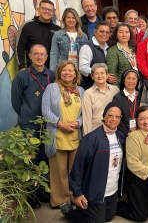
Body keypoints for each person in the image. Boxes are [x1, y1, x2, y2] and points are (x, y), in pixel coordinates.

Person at [62, 103, 126, 223]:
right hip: (95, 191)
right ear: (104, 116)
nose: (114, 119)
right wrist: (77, 193)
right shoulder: (90, 139)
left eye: (118, 116)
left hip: (112, 190)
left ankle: (86, 212)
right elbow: (78, 168)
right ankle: (69, 212)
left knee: (108, 217)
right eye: (110, 115)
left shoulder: (120, 136)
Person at [11, 44, 55, 208]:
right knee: (31, 160)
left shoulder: (51, 74)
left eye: (42, 54)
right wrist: (26, 115)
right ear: (29, 56)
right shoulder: (22, 77)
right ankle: (31, 195)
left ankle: (43, 191)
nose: (39, 57)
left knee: (44, 158)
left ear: (46, 57)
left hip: (47, 125)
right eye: (35, 54)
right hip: (29, 125)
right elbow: (16, 102)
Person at [42, 60, 84, 208]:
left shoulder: (80, 90)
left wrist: (78, 123)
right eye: (64, 70)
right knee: (58, 172)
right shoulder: (51, 88)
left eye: (71, 70)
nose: (67, 73)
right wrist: (60, 124)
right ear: (59, 72)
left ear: (75, 74)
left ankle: (73, 197)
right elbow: (46, 112)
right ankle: (60, 200)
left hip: (74, 136)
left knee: (74, 170)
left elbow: (84, 114)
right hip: (57, 135)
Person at [116, 106, 148, 222]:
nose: (146, 122)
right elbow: (132, 164)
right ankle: (117, 206)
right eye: (142, 119)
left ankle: (136, 203)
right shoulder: (133, 137)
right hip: (139, 179)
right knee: (140, 216)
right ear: (137, 121)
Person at [16, 0, 61, 70]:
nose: (47, 11)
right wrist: (21, 67)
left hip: (53, 71)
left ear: (53, 12)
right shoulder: (27, 26)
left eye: (50, 10)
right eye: (44, 8)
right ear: (39, 9)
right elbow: (20, 47)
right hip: (32, 70)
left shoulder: (58, 29)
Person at [82, 63, 120, 136]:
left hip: (113, 132)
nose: (100, 76)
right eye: (96, 74)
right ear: (92, 76)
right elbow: (87, 118)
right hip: (95, 132)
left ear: (107, 75)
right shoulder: (88, 93)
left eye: (102, 73)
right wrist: (87, 138)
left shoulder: (115, 90)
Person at [79, 21, 112, 90]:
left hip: (103, 88)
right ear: (95, 32)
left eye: (107, 32)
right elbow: (83, 68)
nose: (104, 34)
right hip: (89, 88)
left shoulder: (109, 48)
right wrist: (102, 75)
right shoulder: (87, 46)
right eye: (102, 31)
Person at [106, 22, 137, 87]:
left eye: (126, 32)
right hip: (121, 89)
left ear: (130, 34)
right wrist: (119, 92)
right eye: (121, 32)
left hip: (135, 87)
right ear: (116, 35)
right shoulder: (113, 51)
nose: (124, 35)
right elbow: (112, 76)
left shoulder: (133, 49)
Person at [112, 69, 141, 137]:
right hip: (123, 134)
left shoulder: (141, 96)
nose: (131, 81)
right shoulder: (117, 98)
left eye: (134, 78)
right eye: (128, 78)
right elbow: (116, 117)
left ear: (137, 81)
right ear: (124, 80)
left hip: (140, 132)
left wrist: (139, 128)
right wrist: (127, 131)